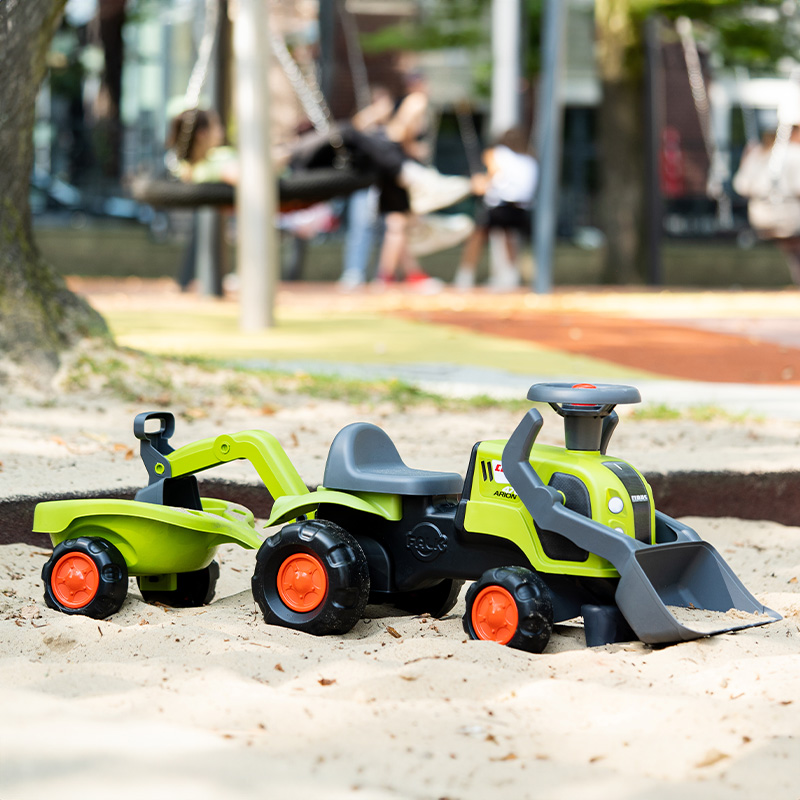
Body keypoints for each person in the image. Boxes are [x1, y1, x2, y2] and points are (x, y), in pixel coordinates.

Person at [453, 128, 538, 290]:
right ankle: (510, 276)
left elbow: (490, 178)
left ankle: (465, 276)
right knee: (508, 236)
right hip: (521, 209)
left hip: (501, 205)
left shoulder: (497, 153)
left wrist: (480, 182)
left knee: (477, 237)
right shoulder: (530, 159)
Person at [733, 125, 800, 285]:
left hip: (760, 215)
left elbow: (740, 186)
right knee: (794, 243)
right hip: (789, 215)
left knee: (791, 247)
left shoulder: (757, 153)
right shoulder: (795, 153)